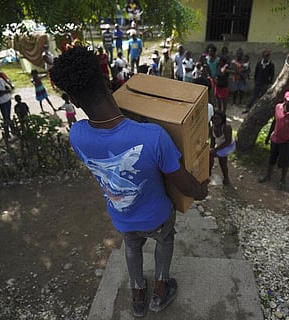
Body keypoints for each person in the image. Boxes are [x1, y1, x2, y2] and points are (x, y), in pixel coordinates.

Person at [50, 46, 208, 318]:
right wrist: (201, 191)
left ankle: (137, 296)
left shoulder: (76, 135)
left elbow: (108, 140)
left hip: (121, 216)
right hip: (157, 215)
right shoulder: (153, 135)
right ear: (106, 79)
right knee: (165, 240)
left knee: (132, 247)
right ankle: (160, 291)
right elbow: (185, 185)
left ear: (73, 100)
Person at [243, 49, 275, 113]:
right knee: (254, 96)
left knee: (262, 97)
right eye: (266, 56)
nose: (267, 57)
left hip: (265, 83)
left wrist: (270, 82)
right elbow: (256, 73)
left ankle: (260, 109)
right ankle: (248, 107)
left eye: (268, 56)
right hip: (258, 82)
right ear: (263, 56)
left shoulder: (271, 65)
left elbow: (272, 74)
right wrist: (255, 80)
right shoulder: (259, 63)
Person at [209, 110, 235, 186]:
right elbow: (213, 141)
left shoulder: (226, 128)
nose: (215, 121)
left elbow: (228, 141)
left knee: (222, 161)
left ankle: (226, 178)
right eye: (214, 118)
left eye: (218, 119)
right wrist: (211, 149)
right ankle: (209, 172)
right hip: (220, 145)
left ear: (222, 120)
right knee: (210, 154)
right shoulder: (212, 128)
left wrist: (215, 150)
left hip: (229, 146)